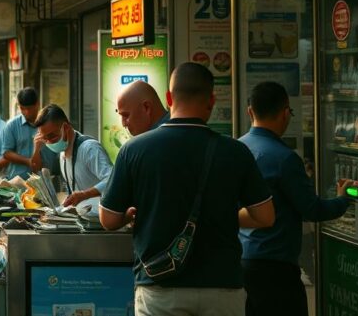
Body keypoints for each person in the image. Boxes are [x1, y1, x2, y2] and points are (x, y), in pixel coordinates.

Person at [100, 62, 275, 316]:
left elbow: (109, 219)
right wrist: (226, 216)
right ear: (211, 100)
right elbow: (265, 216)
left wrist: (129, 215)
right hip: (223, 288)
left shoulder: (135, 150)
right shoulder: (235, 151)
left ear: (169, 98)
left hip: (159, 286)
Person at [239, 81, 357, 316]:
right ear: (285, 113)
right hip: (277, 271)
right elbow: (312, 210)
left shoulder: (237, 148)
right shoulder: (284, 158)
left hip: (242, 262)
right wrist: (344, 199)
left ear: (250, 111)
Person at [33, 104, 114, 207]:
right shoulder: (63, 153)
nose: (49, 142)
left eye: (52, 136)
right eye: (44, 139)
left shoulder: (89, 148)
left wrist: (84, 195)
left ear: (66, 127)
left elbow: (112, 180)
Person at [1, 87, 41, 179]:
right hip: (18, 181)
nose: (26, 112)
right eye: (22, 108)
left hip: (44, 181)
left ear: (37, 104)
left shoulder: (47, 123)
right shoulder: (11, 125)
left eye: (29, 109)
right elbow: (6, 152)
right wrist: (27, 161)